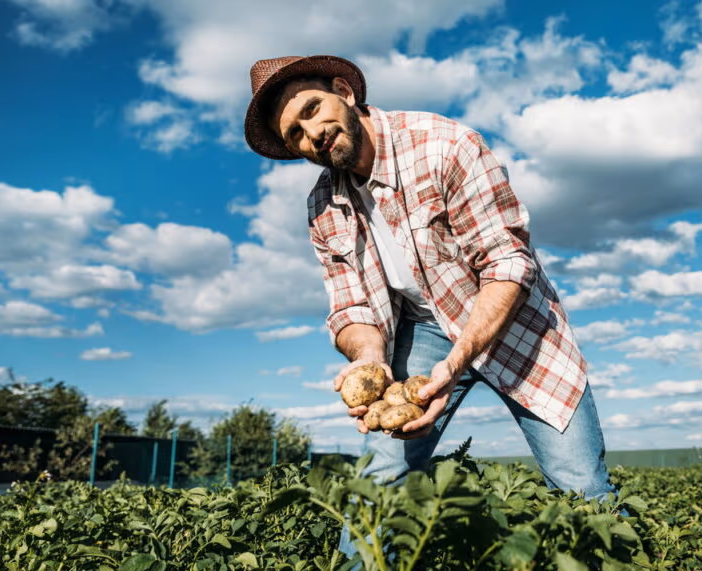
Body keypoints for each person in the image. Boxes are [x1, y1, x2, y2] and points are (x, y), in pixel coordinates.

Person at [243, 55, 613, 499]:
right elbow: (350, 306)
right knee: (376, 491)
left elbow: (507, 265)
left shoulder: (446, 146)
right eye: (295, 135)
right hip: (422, 330)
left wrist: (456, 364)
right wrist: (369, 358)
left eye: (312, 109)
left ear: (344, 92)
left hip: (513, 322)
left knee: (584, 489)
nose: (313, 135)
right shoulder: (323, 207)